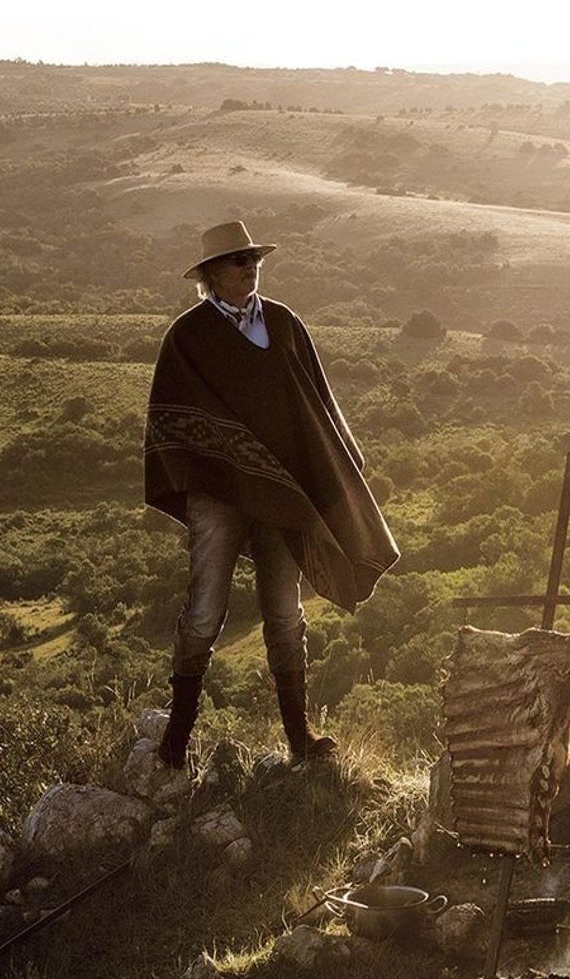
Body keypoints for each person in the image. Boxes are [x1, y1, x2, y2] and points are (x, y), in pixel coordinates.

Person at [143, 221, 398, 768]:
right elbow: (172, 418)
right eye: (238, 261)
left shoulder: (283, 323)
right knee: (205, 611)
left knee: (285, 611)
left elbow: (316, 405)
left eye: (253, 258)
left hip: (283, 492)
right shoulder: (187, 337)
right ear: (212, 274)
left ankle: (299, 737)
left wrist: (334, 467)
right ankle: (177, 738)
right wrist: (226, 460)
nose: (249, 268)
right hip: (219, 492)